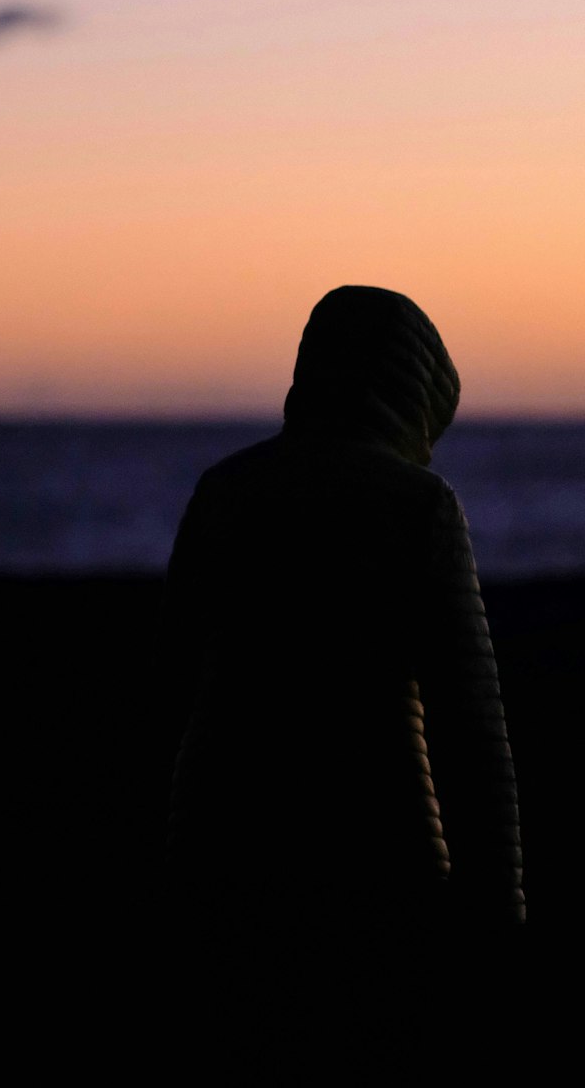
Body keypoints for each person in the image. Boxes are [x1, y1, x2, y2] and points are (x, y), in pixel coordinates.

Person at [152, 285, 524, 1074]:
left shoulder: (227, 490)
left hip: (218, 854)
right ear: (412, 393)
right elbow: (470, 733)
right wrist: (498, 922)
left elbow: (164, 690)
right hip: (380, 862)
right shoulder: (419, 506)